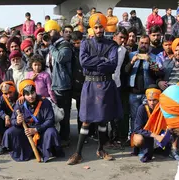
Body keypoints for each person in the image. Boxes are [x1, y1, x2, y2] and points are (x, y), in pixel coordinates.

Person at [66, 13, 122, 165]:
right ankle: (78, 153)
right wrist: (102, 60)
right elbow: (84, 62)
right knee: (86, 120)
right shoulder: (85, 43)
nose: (98, 30)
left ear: (104, 27)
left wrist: (96, 62)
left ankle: (101, 149)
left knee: (103, 120)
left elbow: (113, 64)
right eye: (96, 27)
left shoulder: (111, 45)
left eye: (101, 27)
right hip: (90, 85)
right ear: (92, 28)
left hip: (105, 85)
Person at [1, 79, 62, 162]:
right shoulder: (19, 103)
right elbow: (13, 120)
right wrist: (17, 121)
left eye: (32, 93)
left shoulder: (45, 102)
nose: (31, 96)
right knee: (10, 132)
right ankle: (24, 152)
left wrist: (36, 129)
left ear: (35, 91)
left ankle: (47, 152)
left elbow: (50, 120)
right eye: (27, 94)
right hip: (26, 132)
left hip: (42, 130)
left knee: (51, 132)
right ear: (23, 95)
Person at [126, 35, 159, 144]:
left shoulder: (153, 57)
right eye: (142, 43)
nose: (143, 45)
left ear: (149, 45)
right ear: (138, 43)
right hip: (133, 93)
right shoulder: (131, 55)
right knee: (134, 117)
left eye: (146, 43)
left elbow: (158, 73)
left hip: (147, 94)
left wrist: (150, 61)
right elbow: (125, 71)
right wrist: (132, 61)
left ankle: (148, 141)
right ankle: (133, 141)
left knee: (148, 117)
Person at [44, 20, 73, 145]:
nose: (49, 34)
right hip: (54, 84)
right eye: (48, 32)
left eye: (51, 31)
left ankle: (65, 138)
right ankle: (59, 137)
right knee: (57, 113)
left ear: (57, 31)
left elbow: (61, 58)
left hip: (63, 85)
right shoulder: (54, 46)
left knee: (64, 113)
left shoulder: (64, 45)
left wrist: (50, 45)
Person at [132, 86, 167, 162]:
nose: (152, 103)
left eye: (154, 100)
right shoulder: (142, 108)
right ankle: (141, 149)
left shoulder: (163, 108)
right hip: (146, 134)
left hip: (160, 132)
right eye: (149, 100)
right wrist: (155, 135)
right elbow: (137, 129)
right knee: (139, 139)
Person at [0, 81, 17, 154]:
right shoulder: (3, 98)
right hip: (7, 121)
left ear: (14, 90)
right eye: (6, 93)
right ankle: (2, 143)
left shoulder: (20, 96)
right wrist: (5, 116)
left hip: (17, 120)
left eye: (10, 92)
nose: (8, 96)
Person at [71, 31, 85, 133]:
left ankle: (90, 132)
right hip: (76, 86)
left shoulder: (87, 50)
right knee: (80, 110)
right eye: (74, 43)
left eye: (78, 43)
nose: (76, 45)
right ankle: (81, 131)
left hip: (86, 84)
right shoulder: (71, 52)